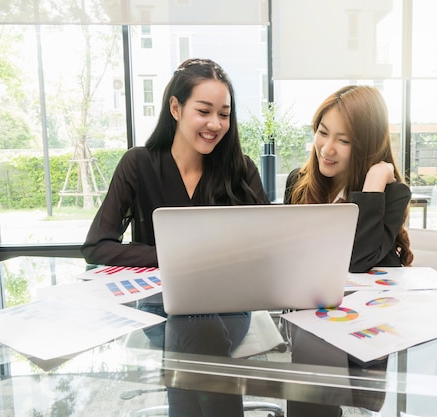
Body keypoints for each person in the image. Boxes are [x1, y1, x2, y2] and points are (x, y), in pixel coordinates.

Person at [81, 58, 269, 417]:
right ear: (175, 108)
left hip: (227, 306)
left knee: (195, 333)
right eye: (204, 111)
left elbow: (266, 248)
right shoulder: (138, 164)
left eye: (224, 114)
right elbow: (97, 246)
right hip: (160, 307)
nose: (216, 124)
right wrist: (173, 257)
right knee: (190, 330)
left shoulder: (240, 170)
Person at [284, 85, 413, 416]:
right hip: (311, 324)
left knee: (360, 405)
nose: (327, 148)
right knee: (310, 407)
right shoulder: (298, 182)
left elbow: (359, 261)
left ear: (367, 145)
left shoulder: (393, 193)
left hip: (367, 325)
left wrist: (373, 186)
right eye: (323, 133)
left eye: (344, 140)